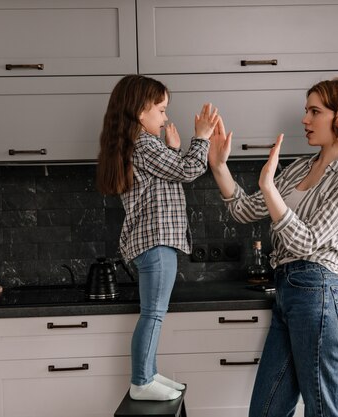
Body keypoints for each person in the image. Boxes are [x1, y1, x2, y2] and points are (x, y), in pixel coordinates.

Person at [208, 77, 338, 417]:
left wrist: (270, 189)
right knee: (265, 412)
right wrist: (219, 165)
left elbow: (307, 240)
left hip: (320, 295)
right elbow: (245, 209)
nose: (305, 120)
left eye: (315, 111)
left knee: (323, 411)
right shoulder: (301, 166)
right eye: (306, 111)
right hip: (288, 295)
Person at [96, 74, 219, 401]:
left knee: (154, 312)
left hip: (151, 242)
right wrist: (201, 137)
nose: (165, 118)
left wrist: (174, 149)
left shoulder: (141, 145)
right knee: (153, 314)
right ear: (140, 112)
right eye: (162, 110)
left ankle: (148, 375)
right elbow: (189, 170)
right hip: (156, 241)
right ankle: (140, 382)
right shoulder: (143, 143)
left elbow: (167, 175)